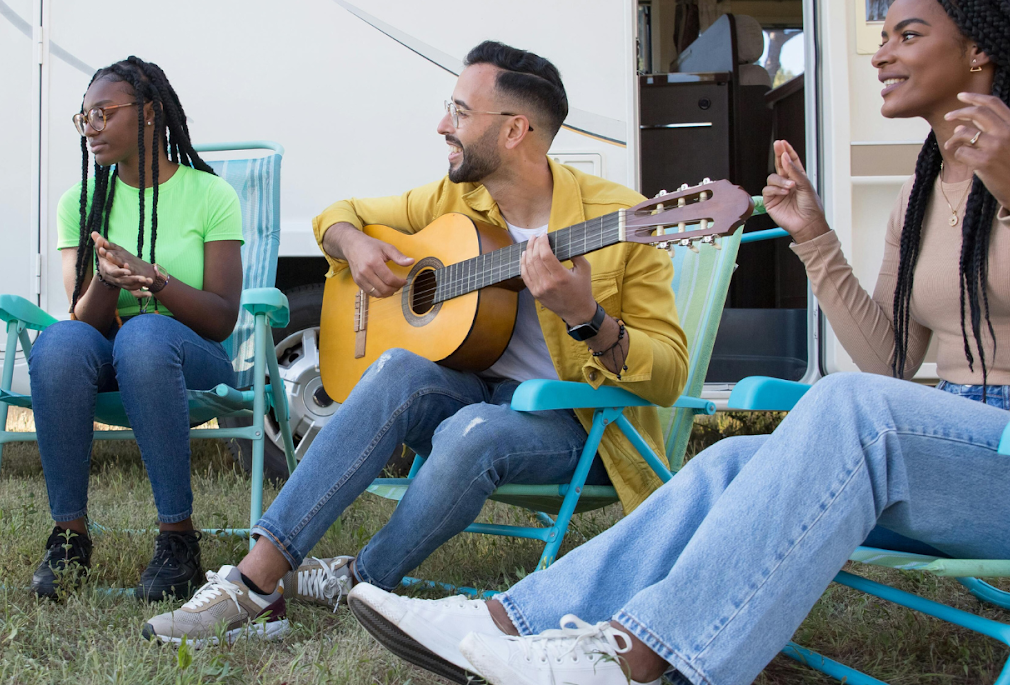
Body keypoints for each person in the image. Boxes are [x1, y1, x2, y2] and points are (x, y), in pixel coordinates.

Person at [344, 0, 1010, 685]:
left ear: (979, 51)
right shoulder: (925, 189)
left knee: (843, 410)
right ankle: (506, 623)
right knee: (732, 459)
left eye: (907, 34)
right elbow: (888, 366)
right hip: (963, 454)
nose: (879, 53)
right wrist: (815, 239)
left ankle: (626, 659)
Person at [142, 40, 689, 646]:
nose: (441, 125)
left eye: (459, 111)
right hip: (480, 391)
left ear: (514, 130)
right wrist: (355, 244)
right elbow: (336, 214)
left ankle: (361, 578)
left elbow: (668, 377)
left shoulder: (624, 219)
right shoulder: (459, 199)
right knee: (399, 367)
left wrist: (587, 317)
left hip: (581, 423)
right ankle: (255, 584)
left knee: (470, 429)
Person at [25, 57, 245, 601]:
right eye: (84, 118)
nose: (91, 129)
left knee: (143, 337)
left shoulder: (210, 196)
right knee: (58, 343)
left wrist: (155, 281)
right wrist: (105, 278)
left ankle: (177, 538)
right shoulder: (80, 202)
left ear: (149, 114)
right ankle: (69, 538)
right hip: (113, 350)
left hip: (194, 355)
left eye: (104, 113)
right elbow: (84, 319)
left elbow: (222, 317)